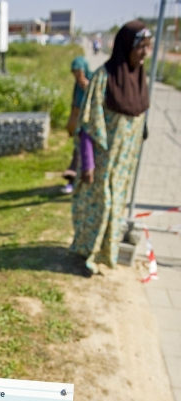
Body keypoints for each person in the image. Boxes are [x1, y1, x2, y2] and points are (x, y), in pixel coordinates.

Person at [70, 21, 151, 275]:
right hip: (103, 164)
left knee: (116, 208)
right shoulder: (104, 78)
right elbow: (87, 124)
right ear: (126, 47)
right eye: (140, 48)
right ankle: (89, 256)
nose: (145, 53)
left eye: (148, 48)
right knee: (101, 207)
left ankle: (106, 254)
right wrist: (88, 162)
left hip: (124, 165)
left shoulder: (139, 78)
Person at [61, 56, 93, 195]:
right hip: (78, 122)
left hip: (89, 124)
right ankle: (73, 180)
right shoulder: (76, 85)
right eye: (74, 72)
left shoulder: (92, 80)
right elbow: (74, 103)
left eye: (78, 71)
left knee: (84, 154)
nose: (76, 75)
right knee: (77, 151)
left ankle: (75, 179)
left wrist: (88, 88)